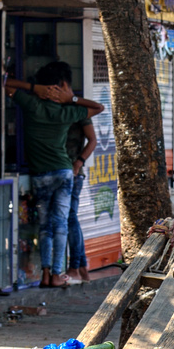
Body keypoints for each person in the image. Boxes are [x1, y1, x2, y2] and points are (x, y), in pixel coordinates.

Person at [5, 61, 104, 288]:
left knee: (45, 226)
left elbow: (4, 84)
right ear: (60, 86)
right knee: (61, 224)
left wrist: (32, 89)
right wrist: (72, 99)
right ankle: (59, 274)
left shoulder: (31, 105)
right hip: (64, 172)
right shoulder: (66, 111)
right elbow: (99, 108)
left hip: (40, 175)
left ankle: (46, 274)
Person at [63, 112, 97, 283]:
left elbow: (93, 140)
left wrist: (79, 162)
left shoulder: (79, 111)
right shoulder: (58, 108)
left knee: (70, 218)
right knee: (71, 218)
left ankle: (75, 267)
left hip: (73, 172)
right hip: (67, 171)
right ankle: (82, 268)